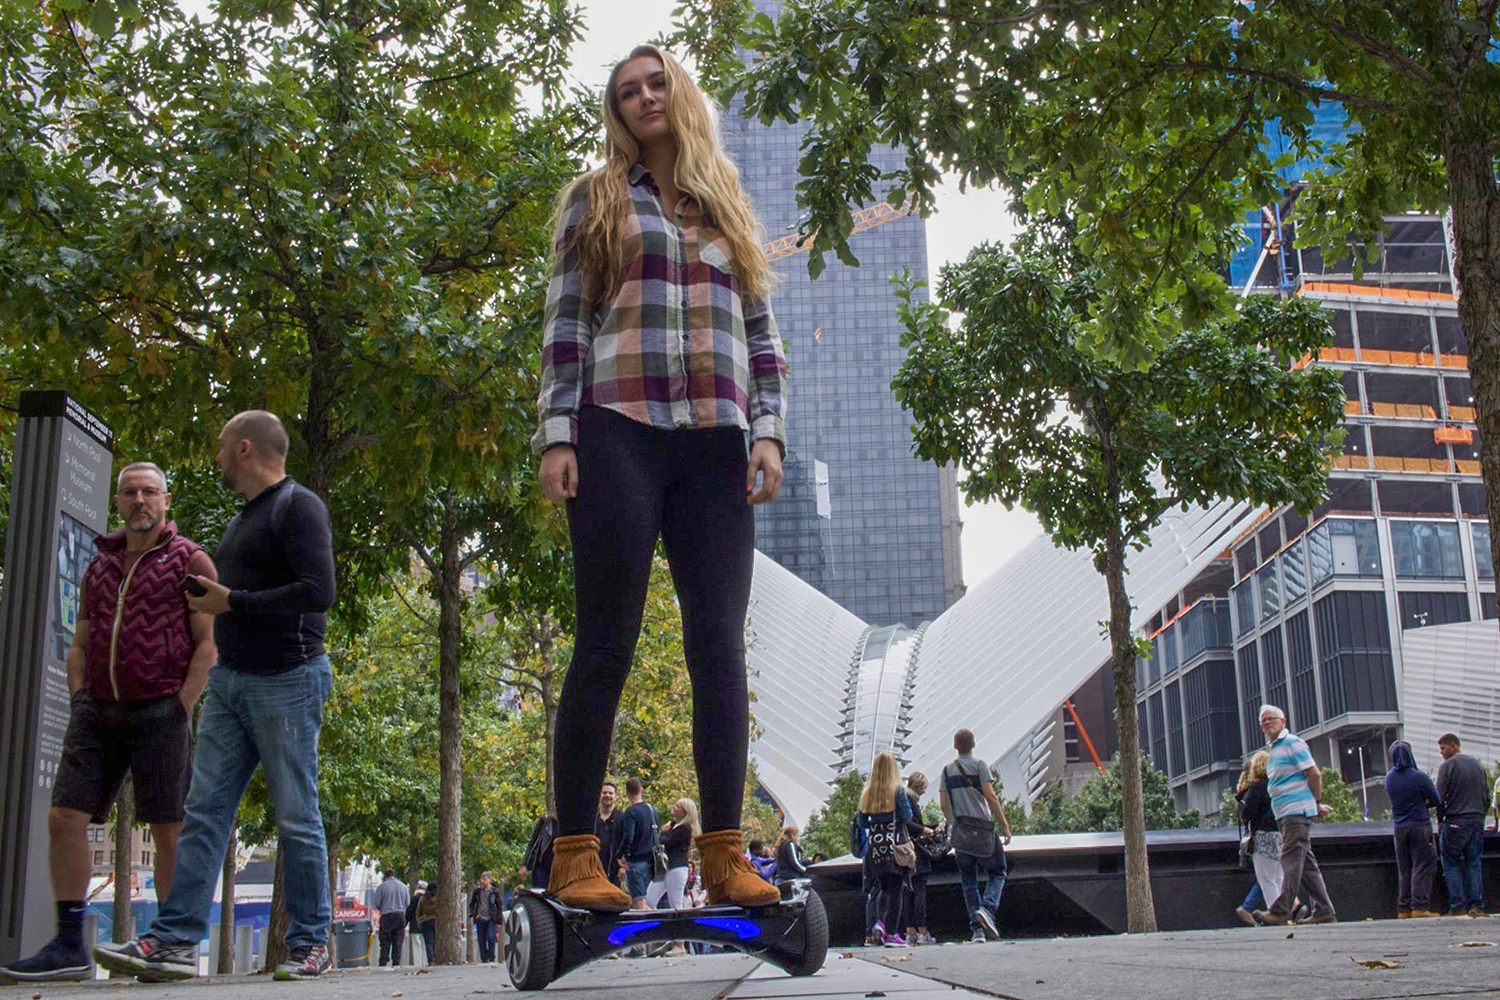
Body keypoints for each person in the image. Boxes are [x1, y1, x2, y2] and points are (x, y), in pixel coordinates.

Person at [532, 42, 787, 914]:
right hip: (616, 431)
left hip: (716, 441)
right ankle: (574, 855)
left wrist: (769, 434)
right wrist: (556, 432)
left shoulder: (728, 208)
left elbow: (762, 336)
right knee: (607, 637)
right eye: (626, 91)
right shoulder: (596, 199)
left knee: (719, 644)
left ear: (678, 94)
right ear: (617, 111)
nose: (644, 97)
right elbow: (567, 321)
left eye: (655, 83)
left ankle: (723, 854)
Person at [95, 411, 338, 982]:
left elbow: (319, 591)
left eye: (223, 447)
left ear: (245, 448)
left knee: (296, 815)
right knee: (201, 814)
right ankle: (175, 940)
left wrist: (234, 603)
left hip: (289, 677)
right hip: (230, 683)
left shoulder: (298, 506)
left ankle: (310, 943)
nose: (217, 455)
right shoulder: (245, 517)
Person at [2, 463, 217, 983]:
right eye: (130, 493)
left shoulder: (189, 559)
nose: (139, 500)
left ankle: (171, 942)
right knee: (64, 818)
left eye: (149, 492)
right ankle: (69, 943)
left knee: (168, 827)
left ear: (167, 500)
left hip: (160, 708)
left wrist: (182, 704)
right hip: (96, 709)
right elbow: (79, 640)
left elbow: (208, 643)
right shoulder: (98, 564)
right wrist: (79, 695)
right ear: (118, 501)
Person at [1252, 705, 1337, 926]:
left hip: (1294, 812)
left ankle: (1281, 910)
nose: (1267, 723)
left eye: (1272, 719)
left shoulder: (1292, 743)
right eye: (1263, 721)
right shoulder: (1274, 749)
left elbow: (1314, 773)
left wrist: (1315, 802)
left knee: (1289, 858)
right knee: (1306, 864)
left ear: (1283, 720)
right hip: (1287, 813)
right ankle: (1324, 910)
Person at [940, 729, 1012, 943]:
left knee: (968, 880)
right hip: (982, 829)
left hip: (961, 831)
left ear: (955, 746)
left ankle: (977, 931)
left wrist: (953, 823)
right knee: (998, 871)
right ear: (973, 744)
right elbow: (990, 795)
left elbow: (944, 803)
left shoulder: (947, 771)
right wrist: (1005, 826)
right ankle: (988, 910)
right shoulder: (980, 765)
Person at [858, 752, 914, 947]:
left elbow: (861, 821)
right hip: (894, 846)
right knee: (896, 890)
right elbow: (907, 817)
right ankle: (891, 934)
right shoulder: (898, 791)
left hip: (875, 849)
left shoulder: (868, 793)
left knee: (882, 887)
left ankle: (879, 923)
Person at [1385, 741, 1441, 919]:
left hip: (1399, 828)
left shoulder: (1389, 778)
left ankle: (1403, 908)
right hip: (1419, 825)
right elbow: (1437, 800)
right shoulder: (1419, 777)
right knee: (1423, 865)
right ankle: (1419, 906)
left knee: (1404, 868)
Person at [1436, 732, 1488, 916]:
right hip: (1477, 818)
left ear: (1452, 746)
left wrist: (1440, 820)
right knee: (1474, 862)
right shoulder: (1477, 764)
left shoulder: (1447, 766)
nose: (1441, 753)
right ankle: (1476, 905)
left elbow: (1439, 798)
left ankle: (1458, 906)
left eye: (1442, 748)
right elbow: (1486, 795)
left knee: (1450, 862)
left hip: (1456, 819)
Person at [1237, 751, 1284, 925]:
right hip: (1279, 835)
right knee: (1278, 877)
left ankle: (1276, 915)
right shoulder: (1277, 785)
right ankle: (1282, 911)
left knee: (1267, 880)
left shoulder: (1257, 787)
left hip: (1263, 836)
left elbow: (1247, 814)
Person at [899, 773, 938, 945]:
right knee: (919, 892)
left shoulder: (901, 798)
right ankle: (923, 931)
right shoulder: (910, 800)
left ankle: (910, 932)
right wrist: (927, 830)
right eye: (923, 788)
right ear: (918, 786)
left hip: (904, 852)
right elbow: (912, 826)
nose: (923, 792)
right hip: (916, 853)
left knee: (907, 893)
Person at [646, 799, 700, 911]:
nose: (674, 807)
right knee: (649, 900)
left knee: (675, 904)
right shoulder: (673, 826)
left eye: (678, 807)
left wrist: (664, 832)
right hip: (665, 868)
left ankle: (680, 926)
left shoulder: (684, 828)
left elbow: (666, 843)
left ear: (684, 812)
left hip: (677, 868)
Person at [618, 778, 660, 908]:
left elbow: (628, 837)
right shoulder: (652, 810)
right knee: (642, 899)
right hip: (652, 861)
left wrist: (620, 855)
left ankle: (648, 927)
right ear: (641, 789)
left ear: (627, 792)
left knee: (638, 902)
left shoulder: (631, 812)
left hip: (636, 861)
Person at [372, 869, 410, 967]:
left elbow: (377, 903)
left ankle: (383, 961)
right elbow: (407, 903)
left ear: (385, 876)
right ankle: (396, 962)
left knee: (385, 941)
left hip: (386, 916)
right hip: (400, 915)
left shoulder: (381, 887)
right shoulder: (404, 887)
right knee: (398, 941)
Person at [468, 872, 502, 964]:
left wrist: (498, 920)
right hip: (480, 918)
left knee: (491, 937)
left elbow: (499, 906)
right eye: (481, 879)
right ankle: (484, 959)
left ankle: (491, 958)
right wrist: (475, 914)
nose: (482, 881)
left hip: (490, 918)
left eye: (485, 879)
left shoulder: (494, 892)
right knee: (481, 940)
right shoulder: (478, 892)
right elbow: (472, 904)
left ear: (489, 880)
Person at [596, 781, 625, 886]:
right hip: (593, 871)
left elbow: (627, 843)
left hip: (614, 872)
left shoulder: (622, 818)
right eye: (604, 793)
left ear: (615, 796)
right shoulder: (592, 819)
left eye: (610, 793)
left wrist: (623, 867)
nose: (607, 795)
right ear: (599, 795)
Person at [519, 815, 559, 890]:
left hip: (558, 869)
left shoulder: (565, 824)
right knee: (539, 895)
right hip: (541, 868)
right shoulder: (544, 821)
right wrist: (524, 864)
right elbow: (532, 844)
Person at [416, 880, 438, 963]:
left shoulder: (423, 899)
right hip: (436, 921)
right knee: (435, 942)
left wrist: (419, 922)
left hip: (425, 922)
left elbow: (418, 912)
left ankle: (430, 960)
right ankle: (436, 958)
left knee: (428, 942)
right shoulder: (439, 899)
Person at [405, 881, 427, 964]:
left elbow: (409, 912)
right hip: (425, 925)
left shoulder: (414, 899)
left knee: (416, 945)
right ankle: (425, 962)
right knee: (424, 945)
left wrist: (405, 923)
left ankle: (417, 963)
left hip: (414, 925)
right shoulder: (427, 899)